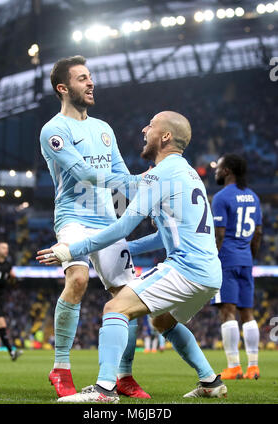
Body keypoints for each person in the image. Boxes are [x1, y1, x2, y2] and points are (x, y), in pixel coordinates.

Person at [37, 110, 228, 403]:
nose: (144, 129)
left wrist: (72, 250)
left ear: (165, 136)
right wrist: (123, 249)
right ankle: (210, 381)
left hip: (186, 269)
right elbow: (161, 236)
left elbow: (124, 226)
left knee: (115, 308)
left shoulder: (159, 174)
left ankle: (104, 390)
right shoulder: (187, 172)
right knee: (162, 320)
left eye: (150, 126)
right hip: (210, 273)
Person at [39, 55, 150, 399]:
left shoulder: (104, 129)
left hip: (108, 219)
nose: (91, 83)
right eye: (82, 78)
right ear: (63, 88)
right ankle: (60, 368)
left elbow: (118, 176)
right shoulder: (54, 130)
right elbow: (85, 174)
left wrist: (138, 200)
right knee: (78, 278)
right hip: (73, 216)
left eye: (91, 77)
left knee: (127, 297)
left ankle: (123, 376)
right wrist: (137, 181)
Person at [211, 154, 262, 380]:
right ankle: (253, 367)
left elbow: (219, 234)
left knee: (227, 311)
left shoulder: (222, 197)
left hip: (227, 260)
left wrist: (213, 259)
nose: (215, 171)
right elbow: (258, 234)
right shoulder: (254, 197)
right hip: (246, 260)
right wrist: (249, 256)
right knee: (247, 313)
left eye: (218, 167)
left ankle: (233, 366)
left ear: (227, 171)